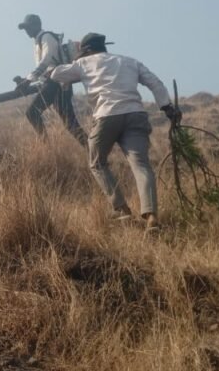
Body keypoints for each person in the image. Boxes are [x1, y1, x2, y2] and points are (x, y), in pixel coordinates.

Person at [49, 32, 181, 228]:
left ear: (86, 50)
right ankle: (152, 216)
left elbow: (56, 74)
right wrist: (167, 107)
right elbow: (155, 83)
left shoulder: (83, 63)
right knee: (141, 165)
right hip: (135, 114)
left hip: (106, 115)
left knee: (96, 162)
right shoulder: (129, 61)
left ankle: (121, 209)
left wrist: (76, 59)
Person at [13, 14, 86, 145]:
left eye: (28, 27)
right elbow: (43, 70)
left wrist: (29, 80)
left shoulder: (46, 37)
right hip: (56, 83)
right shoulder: (37, 42)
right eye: (25, 28)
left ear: (37, 25)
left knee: (32, 113)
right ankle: (95, 154)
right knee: (71, 124)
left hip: (56, 81)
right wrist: (26, 80)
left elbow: (47, 60)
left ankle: (46, 147)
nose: (27, 31)